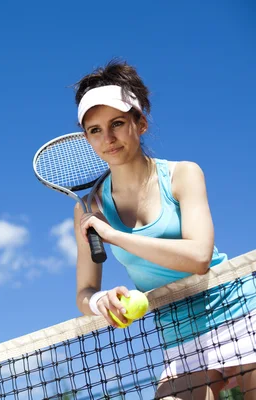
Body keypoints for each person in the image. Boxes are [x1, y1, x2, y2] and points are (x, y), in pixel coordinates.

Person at [71, 60, 256, 399]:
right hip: (180, 334)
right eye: (95, 130)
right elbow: (84, 291)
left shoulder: (183, 175)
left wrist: (115, 236)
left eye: (117, 123)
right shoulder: (89, 208)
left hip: (242, 313)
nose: (107, 138)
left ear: (140, 123)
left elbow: (200, 257)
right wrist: (101, 301)